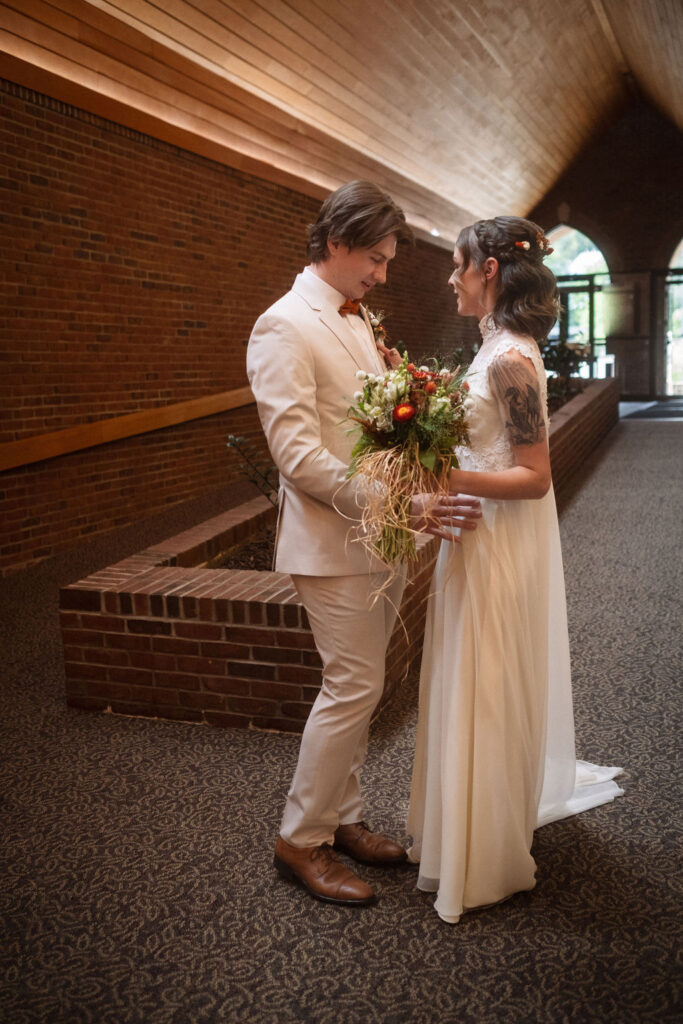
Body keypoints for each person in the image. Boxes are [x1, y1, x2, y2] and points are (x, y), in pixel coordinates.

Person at [246, 181, 481, 908]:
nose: (381, 274)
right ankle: (300, 838)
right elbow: (299, 459)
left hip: (374, 537)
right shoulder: (282, 326)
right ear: (337, 241)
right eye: (374, 259)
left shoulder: (352, 318)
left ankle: (343, 820)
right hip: (327, 542)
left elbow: (368, 427)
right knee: (352, 689)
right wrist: (396, 500)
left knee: (362, 685)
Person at [407, 216, 624, 924]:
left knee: (488, 680)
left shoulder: (508, 360)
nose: (450, 277)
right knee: (473, 676)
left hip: (496, 545)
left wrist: (445, 476)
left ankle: (485, 851)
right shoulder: (494, 347)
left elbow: (533, 477)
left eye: (456, 264)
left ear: (489, 271)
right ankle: (465, 821)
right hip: (474, 540)